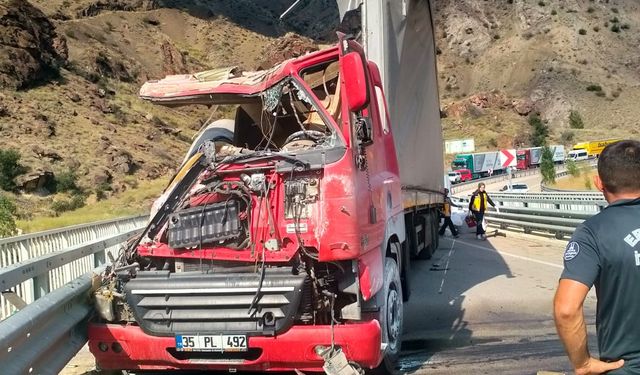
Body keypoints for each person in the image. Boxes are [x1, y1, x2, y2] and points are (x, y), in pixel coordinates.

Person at [554, 140, 640, 375]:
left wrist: (582, 364)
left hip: (625, 367)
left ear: (598, 183)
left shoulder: (592, 233)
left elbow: (566, 310)